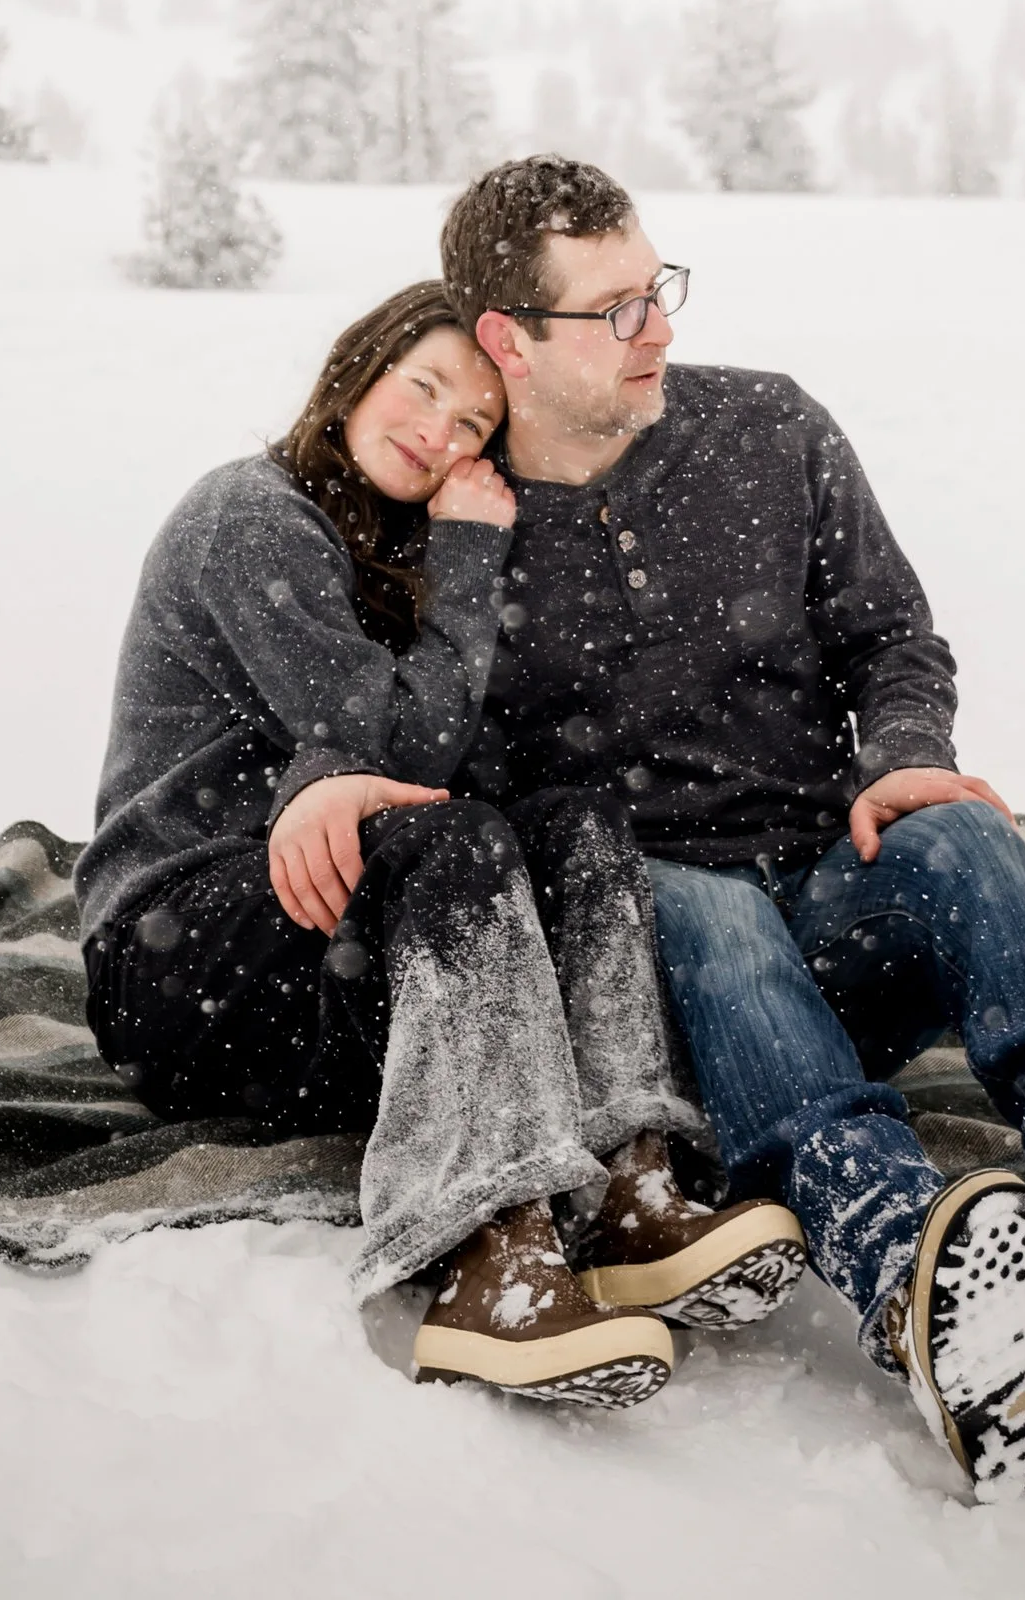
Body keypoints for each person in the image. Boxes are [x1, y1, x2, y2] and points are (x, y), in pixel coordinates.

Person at [441, 156, 1025, 1496]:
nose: (662, 326)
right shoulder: (460, 530)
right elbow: (428, 763)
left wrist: (906, 759)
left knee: (963, 839)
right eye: (616, 308)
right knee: (707, 909)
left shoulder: (769, 431)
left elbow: (893, 639)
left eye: (660, 288)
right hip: (666, 972)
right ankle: (913, 1261)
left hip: (835, 896)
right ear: (511, 339)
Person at [75, 278, 805, 1406]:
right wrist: (463, 569)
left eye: (472, 422)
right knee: (447, 838)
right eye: (423, 388)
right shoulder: (252, 515)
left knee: (576, 824)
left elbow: (446, 757)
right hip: (178, 968)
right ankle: (489, 1260)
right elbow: (394, 743)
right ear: (356, 369)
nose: (437, 431)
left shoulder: (393, 542)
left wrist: (350, 778)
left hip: (330, 954)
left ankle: (628, 1182)